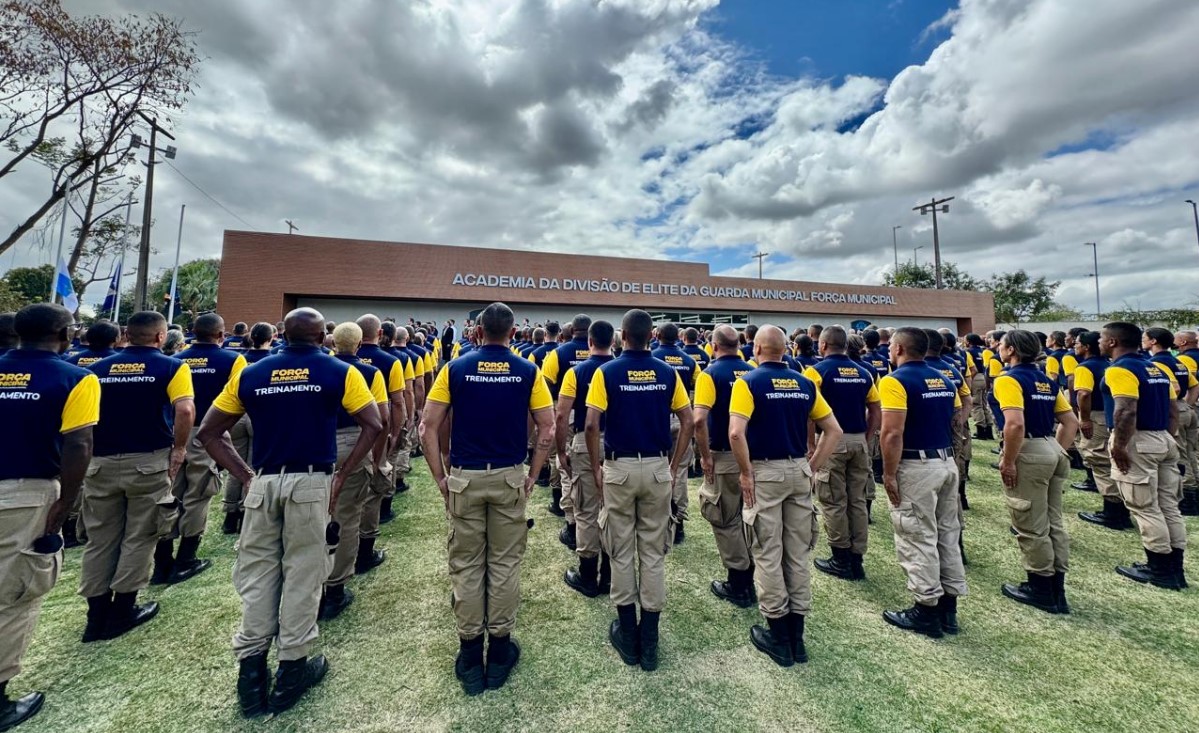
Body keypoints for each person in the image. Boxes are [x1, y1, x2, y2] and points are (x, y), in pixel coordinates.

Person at [197, 307, 381, 716]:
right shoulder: (340, 372)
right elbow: (374, 423)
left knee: (258, 573)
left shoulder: (249, 373)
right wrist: (343, 474)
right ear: (323, 339)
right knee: (304, 572)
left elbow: (210, 431)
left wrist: (247, 477)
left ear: (283, 335)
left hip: (264, 482)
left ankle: (251, 674)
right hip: (314, 481)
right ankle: (293, 668)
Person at [419, 302, 554, 695]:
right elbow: (547, 427)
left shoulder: (454, 368)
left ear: (476, 333)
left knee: (466, 563)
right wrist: (532, 473)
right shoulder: (529, 371)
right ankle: (498, 650)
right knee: (505, 563)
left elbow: (428, 426)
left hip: (465, 478)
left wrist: (441, 478)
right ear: (513, 334)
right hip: (510, 477)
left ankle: (468, 652)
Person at [0, 304, 100, 732]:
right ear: (63, 333)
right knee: (15, 592)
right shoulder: (74, 378)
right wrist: (66, 505)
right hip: (26, 493)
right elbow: (78, 445)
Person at [585, 309, 693, 672]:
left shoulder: (607, 371)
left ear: (622, 336)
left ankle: (628, 634)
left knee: (619, 549)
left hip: (620, 468)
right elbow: (688, 419)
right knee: (653, 551)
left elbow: (590, 424)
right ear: (651, 336)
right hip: (658, 468)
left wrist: (599, 466)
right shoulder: (668, 372)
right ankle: (650, 638)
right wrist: (675, 465)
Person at [78, 311, 194, 643]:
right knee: (140, 535)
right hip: (148, 460)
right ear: (161, 337)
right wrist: (180, 448)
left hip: (99, 462)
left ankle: (95, 616)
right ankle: (123, 610)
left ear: (126, 334)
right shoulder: (172, 367)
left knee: (100, 538)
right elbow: (185, 409)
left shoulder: (94, 370)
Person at [730, 325, 842, 666]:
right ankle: (797, 636)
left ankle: (778, 634)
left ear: (758, 348)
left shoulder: (747, 382)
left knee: (767, 551)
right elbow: (833, 430)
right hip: (797, 470)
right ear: (784, 349)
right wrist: (812, 466)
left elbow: (736, 433)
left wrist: (746, 472)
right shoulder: (804, 382)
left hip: (765, 473)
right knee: (796, 553)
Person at [878, 327, 967, 638]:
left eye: (891, 345)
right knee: (947, 534)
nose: (888, 349)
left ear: (900, 349)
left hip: (916, 466)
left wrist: (888, 474)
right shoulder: (943, 378)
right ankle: (949, 607)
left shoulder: (894, 381)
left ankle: (926, 609)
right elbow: (957, 419)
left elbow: (891, 433)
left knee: (917, 536)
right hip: (945, 461)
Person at [154, 313, 247, 585]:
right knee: (199, 494)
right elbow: (237, 398)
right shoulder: (233, 360)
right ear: (221, 336)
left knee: (169, 494)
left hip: (172, 433)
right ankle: (186, 559)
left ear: (193, 332)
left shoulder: (175, 361)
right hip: (208, 433)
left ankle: (162, 562)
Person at [993, 330, 1079, 614]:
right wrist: (1058, 449)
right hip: (1049, 446)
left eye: (1002, 344)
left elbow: (1014, 424)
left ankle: (1040, 586)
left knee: (1030, 521)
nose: (998, 347)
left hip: (1028, 448)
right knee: (1053, 520)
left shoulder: (1008, 379)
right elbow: (1070, 422)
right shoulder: (1045, 380)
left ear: (1012, 350)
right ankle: (1057, 587)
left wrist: (1008, 459)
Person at [1102, 322, 1187, 590]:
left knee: (1145, 506)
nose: (1100, 342)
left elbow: (1126, 410)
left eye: (1103, 338)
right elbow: (1173, 408)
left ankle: (1159, 568)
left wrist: (1119, 445)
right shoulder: (1157, 368)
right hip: (1163, 436)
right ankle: (1175, 567)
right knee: (1168, 505)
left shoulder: (1120, 369)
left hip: (1137, 439)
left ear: (1113, 342)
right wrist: (1167, 436)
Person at [321, 322, 389, 620]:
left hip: (315, 444)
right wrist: (380, 457)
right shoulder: (371, 372)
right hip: (353, 441)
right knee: (346, 517)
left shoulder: (319, 367)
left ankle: (311, 585)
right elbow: (381, 417)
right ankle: (335, 589)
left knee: (313, 515)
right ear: (359, 344)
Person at [805, 325, 881, 581]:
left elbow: (809, 413)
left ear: (823, 345)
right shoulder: (864, 372)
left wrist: (811, 445)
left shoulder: (816, 372)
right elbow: (876, 410)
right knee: (857, 500)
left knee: (833, 500)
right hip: (859, 440)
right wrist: (867, 438)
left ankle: (840, 558)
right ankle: (857, 557)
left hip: (830, 442)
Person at [693, 325, 756, 607]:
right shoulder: (754, 371)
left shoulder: (710, 375)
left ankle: (739, 582)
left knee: (725, 518)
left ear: (714, 346)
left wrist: (705, 456)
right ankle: (753, 575)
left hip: (726, 455)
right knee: (751, 518)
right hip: (755, 456)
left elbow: (698, 420)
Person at [558, 320, 616, 597]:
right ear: (614, 342)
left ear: (590, 342)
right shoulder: (622, 369)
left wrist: (560, 449)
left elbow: (561, 415)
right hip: (619, 444)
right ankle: (609, 575)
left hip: (585, 441)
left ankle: (588, 576)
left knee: (586, 510)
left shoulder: (576, 373)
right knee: (614, 510)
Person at [356, 316, 411, 572]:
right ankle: (364, 551)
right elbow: (400, 400)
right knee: (375, 481)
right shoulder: (393, 362)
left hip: (340, 435)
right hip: (376, 430)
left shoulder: (333, 364)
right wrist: (398, 431)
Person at [1074, 332, 1133, 531]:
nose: (1075, 347)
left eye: (1078, 344)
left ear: (1086, 347)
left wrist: (1084, 419)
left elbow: (1083, 394)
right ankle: (1122, 507)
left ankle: (1113, 512)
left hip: (1096, 417)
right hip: (1110, 416)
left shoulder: (1084, 367)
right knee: (1113, 462)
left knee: (1099, 461)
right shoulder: (1111, 364)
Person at [223, 322, 275, 535]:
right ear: (271, 338)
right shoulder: (273, 360)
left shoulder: (239, 359)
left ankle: (229, 515)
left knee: (234, 464)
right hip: (259, 416)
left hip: (234, 415)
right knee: (254, 466)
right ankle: (247, 512)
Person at [651, 323, 701, 544]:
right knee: (679, 472)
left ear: (658, 335)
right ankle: (678, 522)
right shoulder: (690, 362)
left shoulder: (651, 358)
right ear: (677, 337)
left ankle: (658, 519)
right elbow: (696, 387)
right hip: (683, 419)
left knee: (656, 470)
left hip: (658, 419)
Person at [542, 315, 592, 525]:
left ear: (570, 332)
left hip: (565, 411)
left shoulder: (558, 353)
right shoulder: (603, 352)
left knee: (561, 459)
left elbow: (544, 384)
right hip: (596, 415)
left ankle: (562, 505)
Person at [1174, 330, 1199, 514]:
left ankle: (1188, 495)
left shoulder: (1185, 360)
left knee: (1182, 452)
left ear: (1183, 342)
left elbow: (1181, 386)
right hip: (1190, 409)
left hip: (1186, 408)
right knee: (1190, 451)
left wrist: (1186, 405)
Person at [964, 333, 994, 440]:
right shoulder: (982, 351)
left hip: (975, 377)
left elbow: (972, 369)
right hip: (983, 377)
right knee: (984, 404)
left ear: (968, 342)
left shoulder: (968, 352)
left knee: (976, 405)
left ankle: (981, 431)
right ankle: (989, 430)